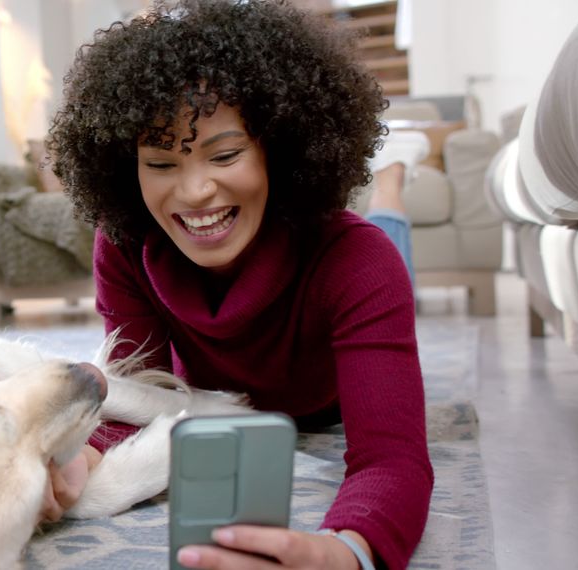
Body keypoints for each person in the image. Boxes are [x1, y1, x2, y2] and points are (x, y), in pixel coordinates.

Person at [38, 1, 434, 569]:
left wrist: (346, 552)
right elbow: (138, 386)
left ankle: (391, 180)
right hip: (227, 397)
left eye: (224, 154)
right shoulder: (125, 245)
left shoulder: (358, 262)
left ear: (278, 147)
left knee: (387, 239)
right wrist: (84, 456)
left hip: (326, 383)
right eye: (162, 163)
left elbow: (393, 459)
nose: (196, 191)